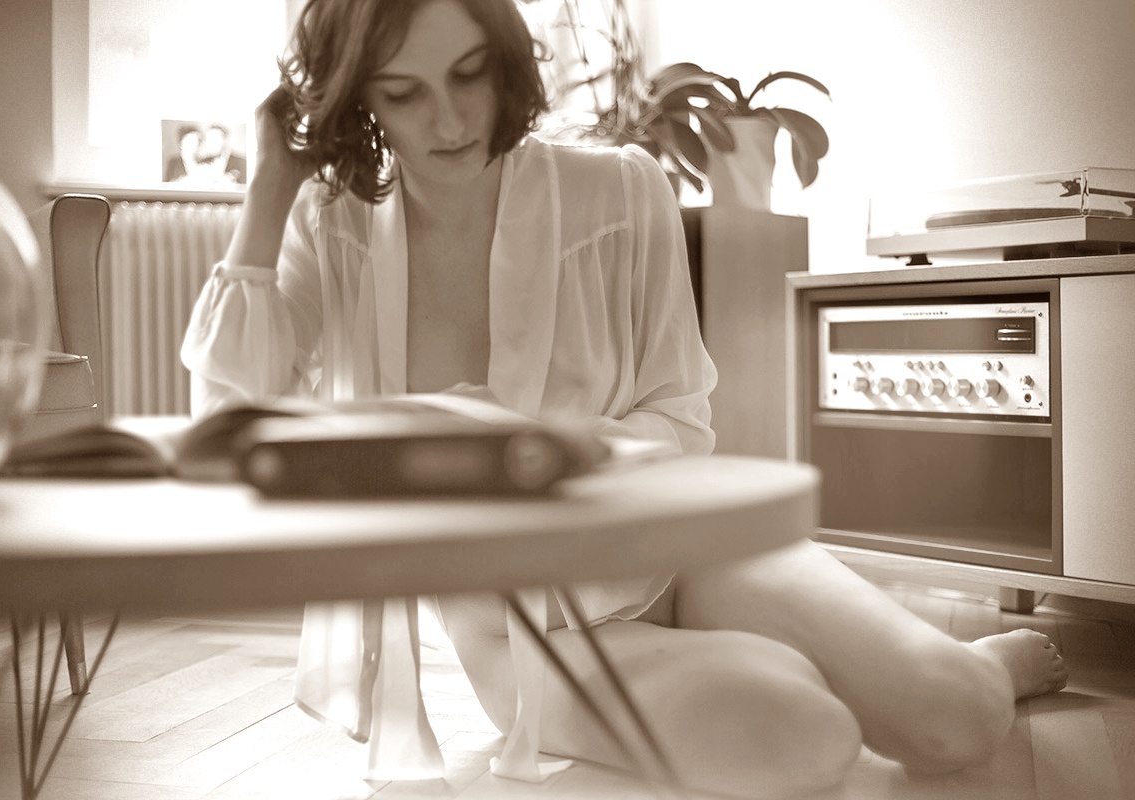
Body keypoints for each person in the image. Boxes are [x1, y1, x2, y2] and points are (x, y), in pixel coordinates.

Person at [179, 0, 1068, 796]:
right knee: (804, 738)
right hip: (523, 636)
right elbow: (224, 422)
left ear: (505, 61)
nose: (448, 120)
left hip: (687, 553)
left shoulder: (621, 189)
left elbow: (680, 414)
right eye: (403, 92)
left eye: (469, 73)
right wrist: (268, 187)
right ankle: (800, 667)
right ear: (357, 98)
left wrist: (537, 463)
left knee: (957, 716)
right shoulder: (329, 225)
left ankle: (966, 666)